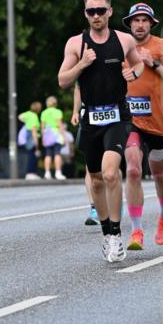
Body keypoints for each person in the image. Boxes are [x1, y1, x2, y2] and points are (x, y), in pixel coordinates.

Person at [58, 0, 140, 262]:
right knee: (94, 179)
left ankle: (116, 234)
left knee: (109, 173)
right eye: (91, 12)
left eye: (101, 11)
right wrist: (82, 63)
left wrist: (134, 72)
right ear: (85, 14)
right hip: (91, 118)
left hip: (118, 116)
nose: (96, 16)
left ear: (109, 12)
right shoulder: (76, 43)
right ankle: (107, 232)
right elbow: (63, 80)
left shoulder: (124, 39)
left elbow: (139, 65)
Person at [120, 3, 163, 250]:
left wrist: (154, 64)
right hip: (130, 121)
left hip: (159, 122)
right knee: (134, 170)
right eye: (135, 20)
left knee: (159, 173)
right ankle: (136, 230)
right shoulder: (122, 46)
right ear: (129, 24)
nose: (139, 24)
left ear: (151, 24)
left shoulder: (161, 46)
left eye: (144, 20)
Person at [71, 85, 98, 225]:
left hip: (113, 117)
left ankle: (113, 200)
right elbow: (78, 87)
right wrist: (75, 111)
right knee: (90, 166)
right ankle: (94, 207)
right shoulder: (84, 63)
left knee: (110, 167)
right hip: (88, 118)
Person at [40, 96, 67, 180]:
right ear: (55, 103)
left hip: (47, 133)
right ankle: (58, 172)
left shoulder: (44, 113)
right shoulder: (58, 112)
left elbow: (42, 126)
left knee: (48, 154)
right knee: (57, 153)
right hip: (56, 133)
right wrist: (64, 136)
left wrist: (43, 137)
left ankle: (47, 173)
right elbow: (60, 124)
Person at [18, 102, 42, 179]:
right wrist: (37, 145)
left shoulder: (28, 114)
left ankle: (31, 173)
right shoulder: (34, 117)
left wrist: (26, 121)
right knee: (33, 155)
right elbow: (34, 131)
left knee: (30, 154)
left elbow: (19, 117)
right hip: (32, 137)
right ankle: (31, 173)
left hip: (27, 136)